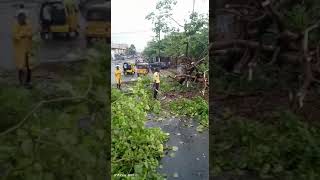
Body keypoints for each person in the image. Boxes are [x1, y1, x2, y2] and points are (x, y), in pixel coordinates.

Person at [12, 12, 33, 88]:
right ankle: (21, 82)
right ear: (18, 19)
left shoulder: (28, 25)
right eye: (20, 19)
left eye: (23, 18)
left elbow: (31, 34)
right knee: (20, 67)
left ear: (25, 18)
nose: (21, 20)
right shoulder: (15, 26)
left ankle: (29, 82)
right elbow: (15, 36)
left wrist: (25, 34)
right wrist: (23, 34)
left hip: (28, 50)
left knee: (29, 66)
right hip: (20, 51)